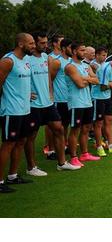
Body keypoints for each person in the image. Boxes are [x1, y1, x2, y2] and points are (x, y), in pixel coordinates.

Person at [25, 32, 80, 175]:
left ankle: (61, 163)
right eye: (42, 43)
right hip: (33, 104)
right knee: (31, 136)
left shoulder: (46, 57)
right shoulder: (25, 59)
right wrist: (25, 94)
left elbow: (49, 78)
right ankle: (32, 167)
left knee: (59, 129)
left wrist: (50, 93)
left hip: (48, 103)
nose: (45, 45)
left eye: (46, 42)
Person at [0, 33, 35, 193]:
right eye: (31, 43)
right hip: (11, 111)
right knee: (8, 144)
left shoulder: (26, 60)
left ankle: (13, 175)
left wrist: (26, 95)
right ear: (21, 44)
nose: (34, 46)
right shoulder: (8, 61)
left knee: (21, 141)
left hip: (25, 110)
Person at [65, 41, 101, 167]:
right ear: (74, 51)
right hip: (76, 103)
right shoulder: (70, 66)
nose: (84, 52)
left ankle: (84, 154)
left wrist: (84, 78)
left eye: (85, 50)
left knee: (86, 129)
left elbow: (97, 80)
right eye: (82, 50)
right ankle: (73, 157)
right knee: (75, 130)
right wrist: (87, 79)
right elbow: (79, 84)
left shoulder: (86, 65)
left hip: (87, 101)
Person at [43, 34, 64, 156]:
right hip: (54, 96)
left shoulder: (64, 57)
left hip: (65, 96)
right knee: (50, 123)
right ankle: (48, 146)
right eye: (61, 41)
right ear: (55, 43)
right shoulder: (50, 57)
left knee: (60, 123)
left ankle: (60, 145)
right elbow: (50, 78)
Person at [51, 38, 73, 154]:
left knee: (66, 124)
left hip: (69, 99)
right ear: (64, 48)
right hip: (58, 98)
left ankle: (63, 145)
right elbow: (50, 79)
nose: (72, 50)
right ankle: (52, 149)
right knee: (56, 126)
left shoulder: (71, 61)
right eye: (70, 47)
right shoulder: (57, 61)